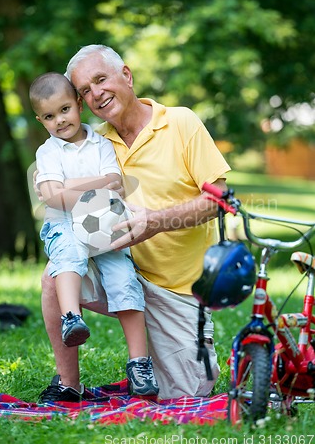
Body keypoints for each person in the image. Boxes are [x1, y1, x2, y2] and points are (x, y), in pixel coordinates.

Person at [38, 44, 231, 402]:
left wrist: (155, 222)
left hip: (179, 292)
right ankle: (69, 384)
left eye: (100, 80)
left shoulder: (181, 122)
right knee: (56, 274)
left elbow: (218, 200)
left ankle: (158, 359)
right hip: (119, 269)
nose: (95, 94)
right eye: (84, 90)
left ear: (126, 75)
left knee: (188, 393)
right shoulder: (93, 142)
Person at [30, 72, 159, 396]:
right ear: (39, 120)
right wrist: (95, 184)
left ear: (78, 104)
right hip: (63, 224)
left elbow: (114, 182)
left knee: (123, 277)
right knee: (68, 256)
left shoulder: (100, 143)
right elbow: (53, 199)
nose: (59, 121)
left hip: (103, 221)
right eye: (48, 116)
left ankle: (139, 364)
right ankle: (72, 318)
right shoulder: (48, 152)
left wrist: (66, 187)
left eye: (63, 110)